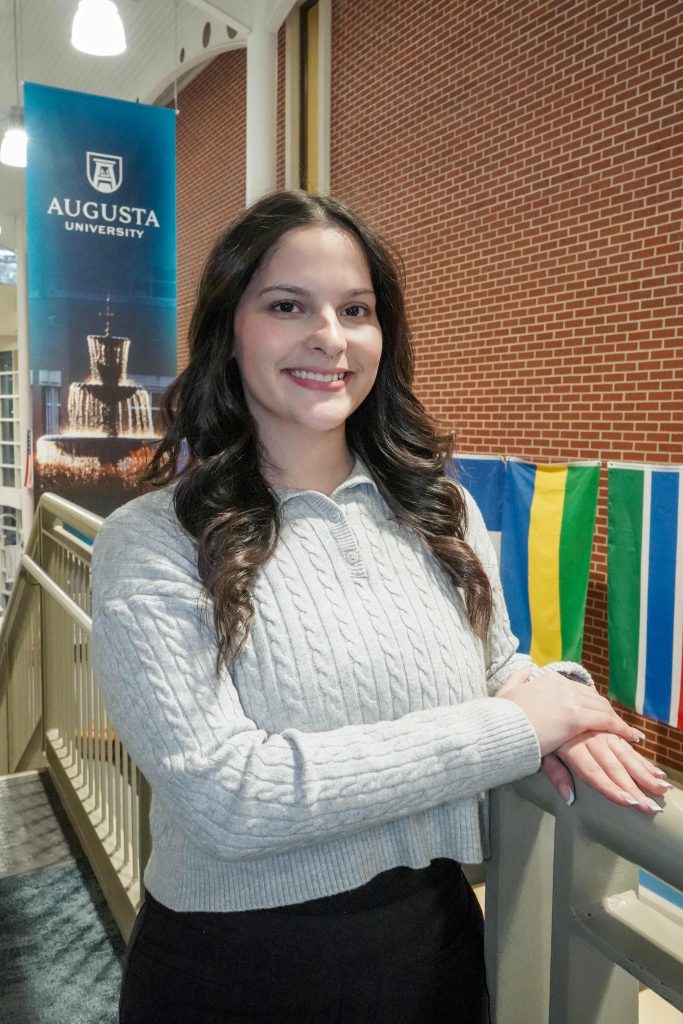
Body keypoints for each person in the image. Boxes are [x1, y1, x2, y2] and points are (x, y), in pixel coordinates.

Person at [91, 190, 668, 1024]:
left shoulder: (440, 510)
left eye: (354, 310)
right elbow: (226, 798)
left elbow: (497, 664)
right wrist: (514, 730)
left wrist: (563, 701)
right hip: (237, 970)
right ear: (230, 331)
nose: (329, 337)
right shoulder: (153, 540)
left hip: (435, 941)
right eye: (287, 305)